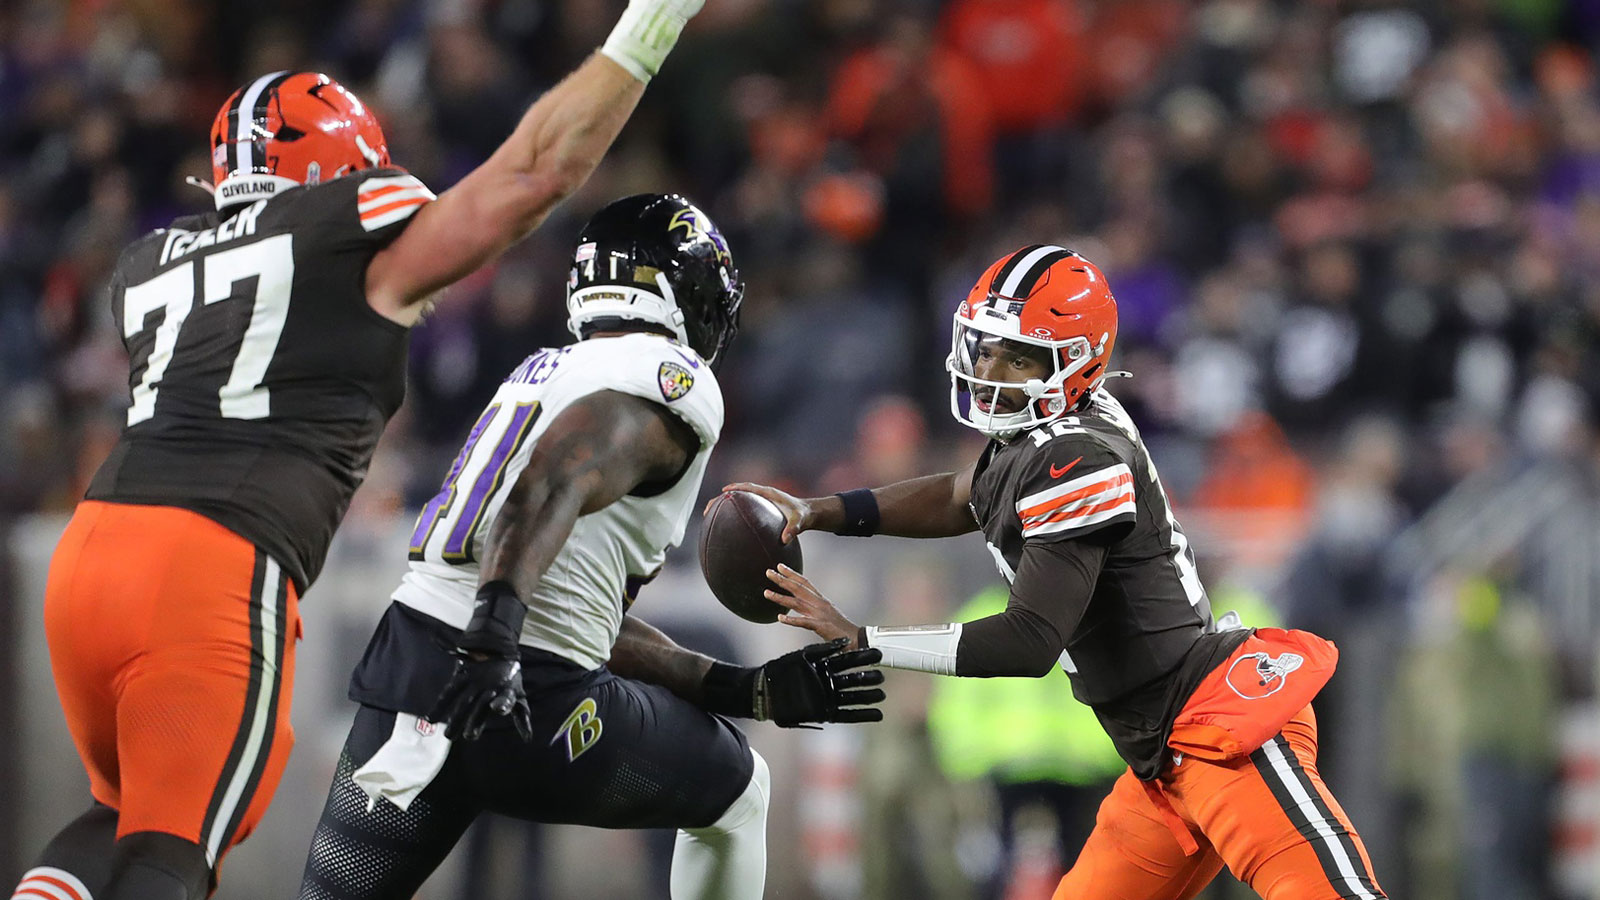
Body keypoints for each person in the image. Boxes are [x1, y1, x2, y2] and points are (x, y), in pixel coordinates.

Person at [14, 4, 710, 899]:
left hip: (89, 557)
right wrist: (651, 25)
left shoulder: (151, 260)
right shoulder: (349, 222)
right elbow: (537, 170)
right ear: (339, 169)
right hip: (212, 563)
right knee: (171, 854)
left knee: (120, 818)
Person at [727, 245, 1388, 900]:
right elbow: (965, 493)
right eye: (987, 347)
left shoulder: (1078, 460)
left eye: (1018, 356)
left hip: (1223, 732)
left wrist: (864, 637)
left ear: (1074, 363)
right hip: (1160, 761)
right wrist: (821, 511)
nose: (990, 367)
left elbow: (1029, 641)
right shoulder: (1045, 429)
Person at [296, 193, 885, 900]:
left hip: (411, 675)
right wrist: (492, 641)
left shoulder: (542, 373)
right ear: (675, 295)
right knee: (738, 790)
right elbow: (550, 482)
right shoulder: (671, 377)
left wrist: (739, 689)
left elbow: (578, 604)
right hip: (526, 689)